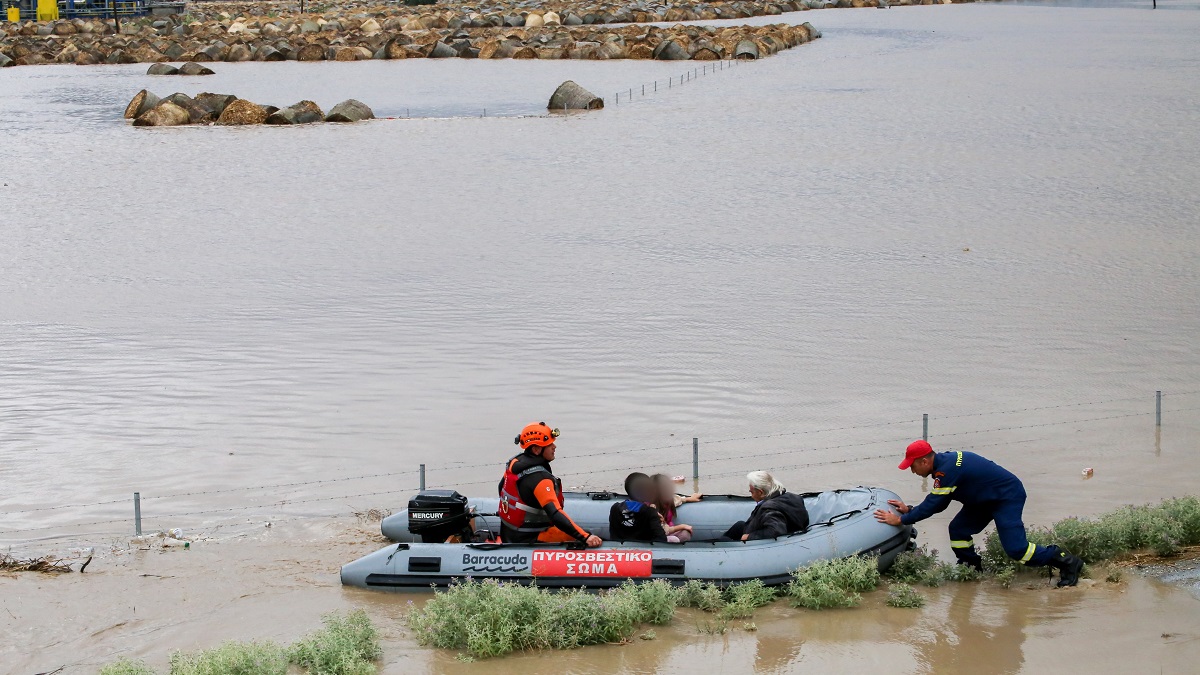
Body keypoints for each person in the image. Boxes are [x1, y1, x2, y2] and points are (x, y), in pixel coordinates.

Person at [873, 439, 1084, 587]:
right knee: (958, 530)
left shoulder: (947, 472)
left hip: (1005, 497)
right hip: (983, 499)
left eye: (912, 466)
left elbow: (935, 505)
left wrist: (901, 519)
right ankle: (971, 567)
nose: (912, 471)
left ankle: (1065, 560)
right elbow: (940, 501)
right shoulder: (944, 464)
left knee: (1017, 550)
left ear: (924, 461)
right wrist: (910, 509)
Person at [498, 422, 602, 548]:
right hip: (530, 537)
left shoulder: (514, 465)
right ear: (536, 449)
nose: (554, 446)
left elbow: (501, 488)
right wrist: (585, 537)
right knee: (586, 535)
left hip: (509, 533)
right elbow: (555, 514)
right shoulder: (540, 478)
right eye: (549, 445)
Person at [720, 471, 810, 541]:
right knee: (739, 525)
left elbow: (776, 531)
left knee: (724, 541)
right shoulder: (793, 497)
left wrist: (749, 536)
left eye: (752, 492)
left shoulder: (769, 508)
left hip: (762, 543)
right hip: (791, 531)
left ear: (760, 492)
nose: (751, 496)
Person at [609, 473, 669, 542]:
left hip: (619, 549)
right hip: (646, 550)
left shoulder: (614, 508)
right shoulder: (650, 512)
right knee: (674, 539)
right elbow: (662, 539)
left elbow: (613, 535)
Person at [650, 473, 699, 543]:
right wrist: (682, 526)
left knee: (685, 534)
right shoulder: (652, 509)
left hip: (669, 532)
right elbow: (664, 531)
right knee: (674, 539)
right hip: (659, 535)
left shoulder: (669, 501)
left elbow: (678, 499)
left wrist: (689, 498)